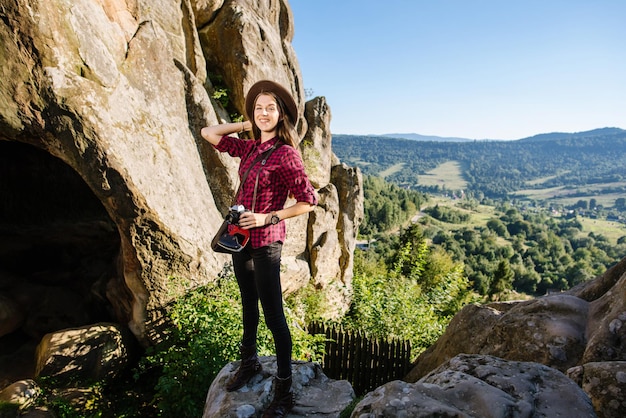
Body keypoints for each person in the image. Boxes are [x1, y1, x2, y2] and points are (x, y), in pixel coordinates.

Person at [201, 80, 317, 417]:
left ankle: (284, 391)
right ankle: (249, 363)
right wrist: (245, 125)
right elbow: (210, 132)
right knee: (248, 306)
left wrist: (268, 218)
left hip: (266, 243)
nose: (264, 113)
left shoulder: (287, 155)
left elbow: (308, 201)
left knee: (274, 316)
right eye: (258, 108)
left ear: (281, 114)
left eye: (270, 108)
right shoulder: (249, 148)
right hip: (240, 239)